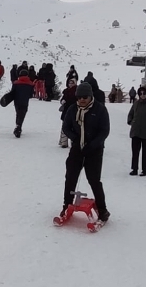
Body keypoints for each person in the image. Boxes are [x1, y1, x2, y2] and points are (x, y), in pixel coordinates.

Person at [60, 82, 111, 224]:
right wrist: (75, 138)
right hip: (77, 148)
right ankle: (66, 205)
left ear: (91, 96)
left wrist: (93, 144)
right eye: (79, 97)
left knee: (94, 180)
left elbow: (104, 130)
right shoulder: (72, 109)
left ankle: (103, 210)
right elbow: (66, 127)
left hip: (94, 150)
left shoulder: (100, 109)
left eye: (85, 97)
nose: (82, 99)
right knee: (70, 177)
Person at [11, 70, 34, 138]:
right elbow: (31, 95)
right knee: (22, 114)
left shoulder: (15, 83)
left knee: (18, 113)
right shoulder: (30, 84)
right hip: (25, 101)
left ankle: (18, 126)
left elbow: (12, 93)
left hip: (17, 101)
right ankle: (18, 127)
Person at [59, 79, 77, 148]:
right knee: (64, 127)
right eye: (69, 83)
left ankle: (74, 142)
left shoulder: (77, 91)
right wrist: (62, 101)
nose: (71, 84)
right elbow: (62, 99)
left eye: (72, 83)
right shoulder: (66, 91)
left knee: (74, 127)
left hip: (74, 111)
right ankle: (64, 142)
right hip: (66, 111)